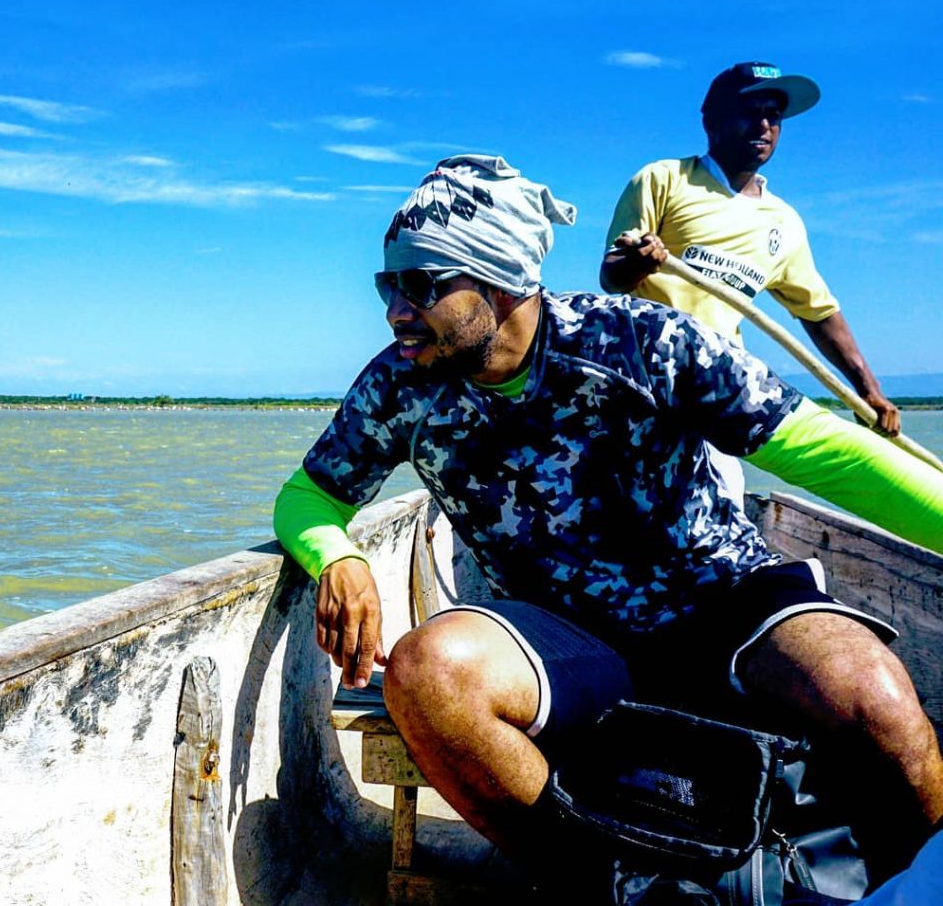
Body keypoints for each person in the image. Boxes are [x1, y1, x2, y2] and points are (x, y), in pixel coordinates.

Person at [274, 154, 943, 890]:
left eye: (422, 285)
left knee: (877, 704)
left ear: (499, 282)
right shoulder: (401, 381)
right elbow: (310, 495)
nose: (397, 310)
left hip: (722, 596)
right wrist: (338, 558)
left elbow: (824, 451)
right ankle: (598, 886)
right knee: (428, 674)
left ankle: (879, 886)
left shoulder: (641, 342)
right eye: (388, 284)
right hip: (565, 637)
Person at [600, 61, 899, 446]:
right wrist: (637, 262)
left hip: (718, 389)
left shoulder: (784, 221)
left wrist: (867, 390)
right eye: (749, 113)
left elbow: (820, 313)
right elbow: (611, 277)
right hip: (640, 381)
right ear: (712, 122)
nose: (763, 127)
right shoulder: (664, 179)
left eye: (773, 117)